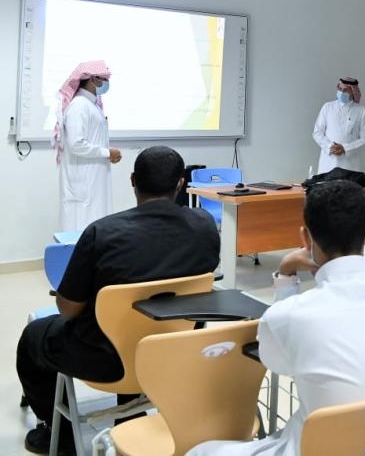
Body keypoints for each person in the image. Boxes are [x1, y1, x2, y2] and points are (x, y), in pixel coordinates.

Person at [187, 180, 365, 456]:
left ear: (305, 238)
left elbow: (276, 363)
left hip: (317, 448)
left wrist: (285, 275)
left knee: (200, 451)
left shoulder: (291, 314)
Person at [18, 146, 220, 455]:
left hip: (105, 361)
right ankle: (131, 417)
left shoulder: (102, 233)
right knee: (143, 319)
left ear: (133, 180)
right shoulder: (204, 226)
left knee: (33, 337)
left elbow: (67, 309)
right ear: (181, 183)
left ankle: (61, 436)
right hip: (172, 352)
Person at [53, 60, 122, 232]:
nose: (106, 83)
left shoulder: (91, 105)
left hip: (93, 180)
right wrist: (107, 153)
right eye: (104, 78)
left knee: (94, 224)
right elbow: (76, 144)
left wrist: (107, 154)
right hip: (82, 183)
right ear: (92, 79)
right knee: (79, 228)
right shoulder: (79, 106)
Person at [311, 76, 365, 174]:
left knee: (348, 184)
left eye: (345, 90)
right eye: (340, 89)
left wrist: (345, 148)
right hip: (328, 163)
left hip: (349, 165)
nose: (342, 92)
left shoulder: (361, 111)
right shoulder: (328, 107)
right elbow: (317, 133)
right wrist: (330, 146)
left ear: (353, 91)